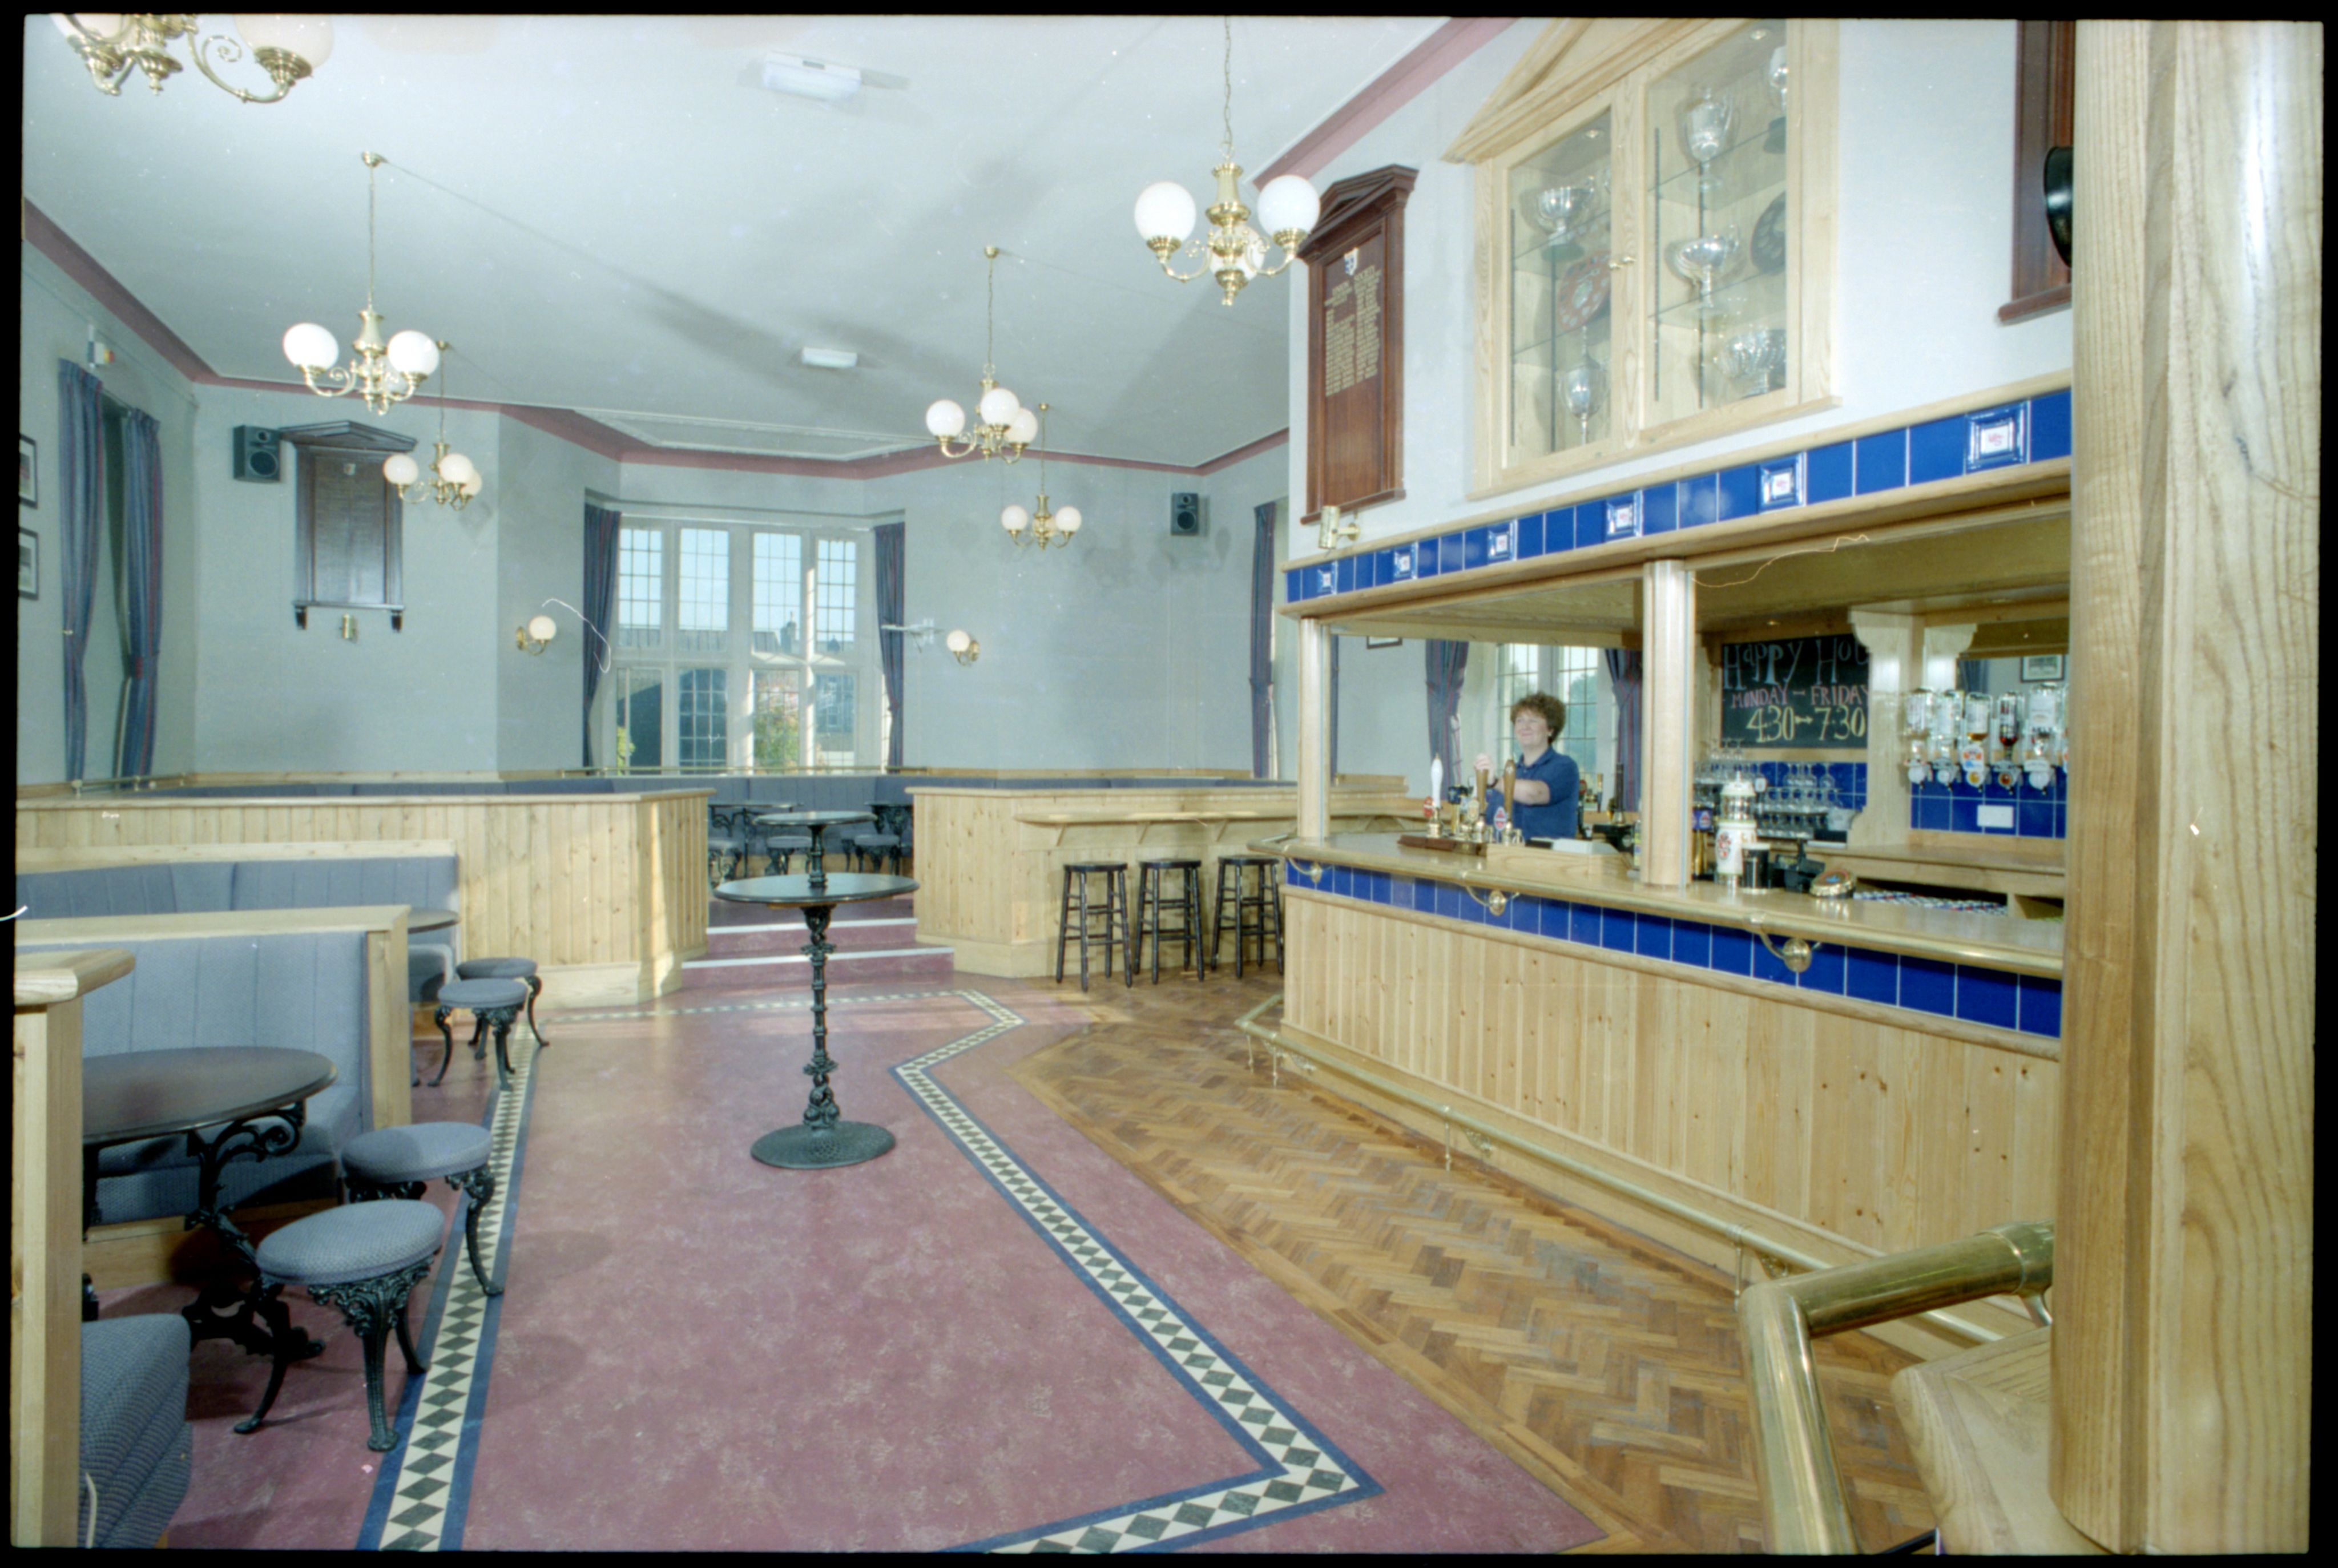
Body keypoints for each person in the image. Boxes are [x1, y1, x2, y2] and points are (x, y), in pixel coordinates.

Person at [1476, 692, 1581, 841]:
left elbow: (1535, 794)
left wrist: (1494, 782)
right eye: (1520, 721)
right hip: (1508, 859)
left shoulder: (1565, 767)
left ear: (1550, 729)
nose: (1525, 727)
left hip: (1550, 860)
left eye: (1533, 720)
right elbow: (1492, 825)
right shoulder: (1511, 774)